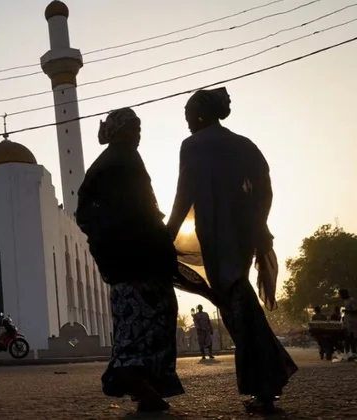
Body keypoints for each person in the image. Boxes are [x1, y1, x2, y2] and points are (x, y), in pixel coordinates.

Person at [166, 87, 298, 413]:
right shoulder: (243, 145)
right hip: (241, 239)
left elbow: (185, 194)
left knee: (240, 310)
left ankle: (269, 377)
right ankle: (266, 381)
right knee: (241, 304)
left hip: (215, 237)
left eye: (188, 115)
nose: (186, 122)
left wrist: (167, 234)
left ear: (199, 115)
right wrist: (257, 225)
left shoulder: (193, 146)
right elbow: (264, 190)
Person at [76, 108, 185, 412]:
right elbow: (143, 208)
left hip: (119, 262)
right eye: (134, 128)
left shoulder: (103, 164)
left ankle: (143, 388)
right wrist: (158, 240)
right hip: (142, 257)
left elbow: (84, 215)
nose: (138, 134)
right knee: (154, 316)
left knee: (131, 321)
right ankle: (134, 376)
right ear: (120, 131)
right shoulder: (125, 159)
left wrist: (105, 243)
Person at [340, 289, 357, 356]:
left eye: (341, 294)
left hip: (353, 322)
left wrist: (347, 311)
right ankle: (348, 352)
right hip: (347, 322)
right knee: (347, 337)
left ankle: (353, 351)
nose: (341, 296)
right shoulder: (345, 301)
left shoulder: (351, 300)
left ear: (345, 294)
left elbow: (356, 310)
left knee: (351, 337)